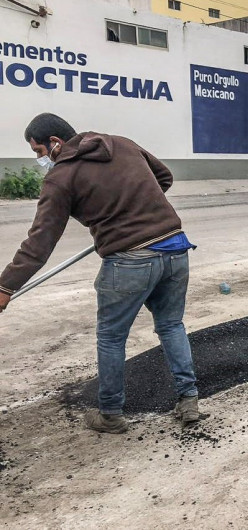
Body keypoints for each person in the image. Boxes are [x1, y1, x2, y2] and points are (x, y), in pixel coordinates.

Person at [0, 113, 200, 434]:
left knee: (111, 337)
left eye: (38, 152)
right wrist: (135, 208)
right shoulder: (120, 143)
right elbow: (164, 177)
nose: (40, 160)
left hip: (130, 261)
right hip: (175, 248)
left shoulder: (61, 177)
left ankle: (110, 414)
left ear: (55, 143)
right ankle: (189, 400)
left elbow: (40, 241)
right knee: (171, 325)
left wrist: (5, 286)